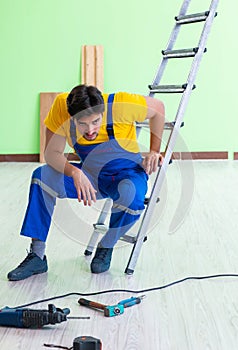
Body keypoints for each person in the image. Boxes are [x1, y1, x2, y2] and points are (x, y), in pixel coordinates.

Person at [7, 84, 165, 281]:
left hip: (127, 174)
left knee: (132, 196)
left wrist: (154, 150)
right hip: (89, 176)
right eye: (82, 124)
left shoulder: (121, 105)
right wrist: (74, 172)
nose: (90, 130)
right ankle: (37, 256)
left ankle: (106, 245)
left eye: (96, 122)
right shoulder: (60, 107)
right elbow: (51, 154)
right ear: (72, 116)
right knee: (41, 177)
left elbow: (158, 108)